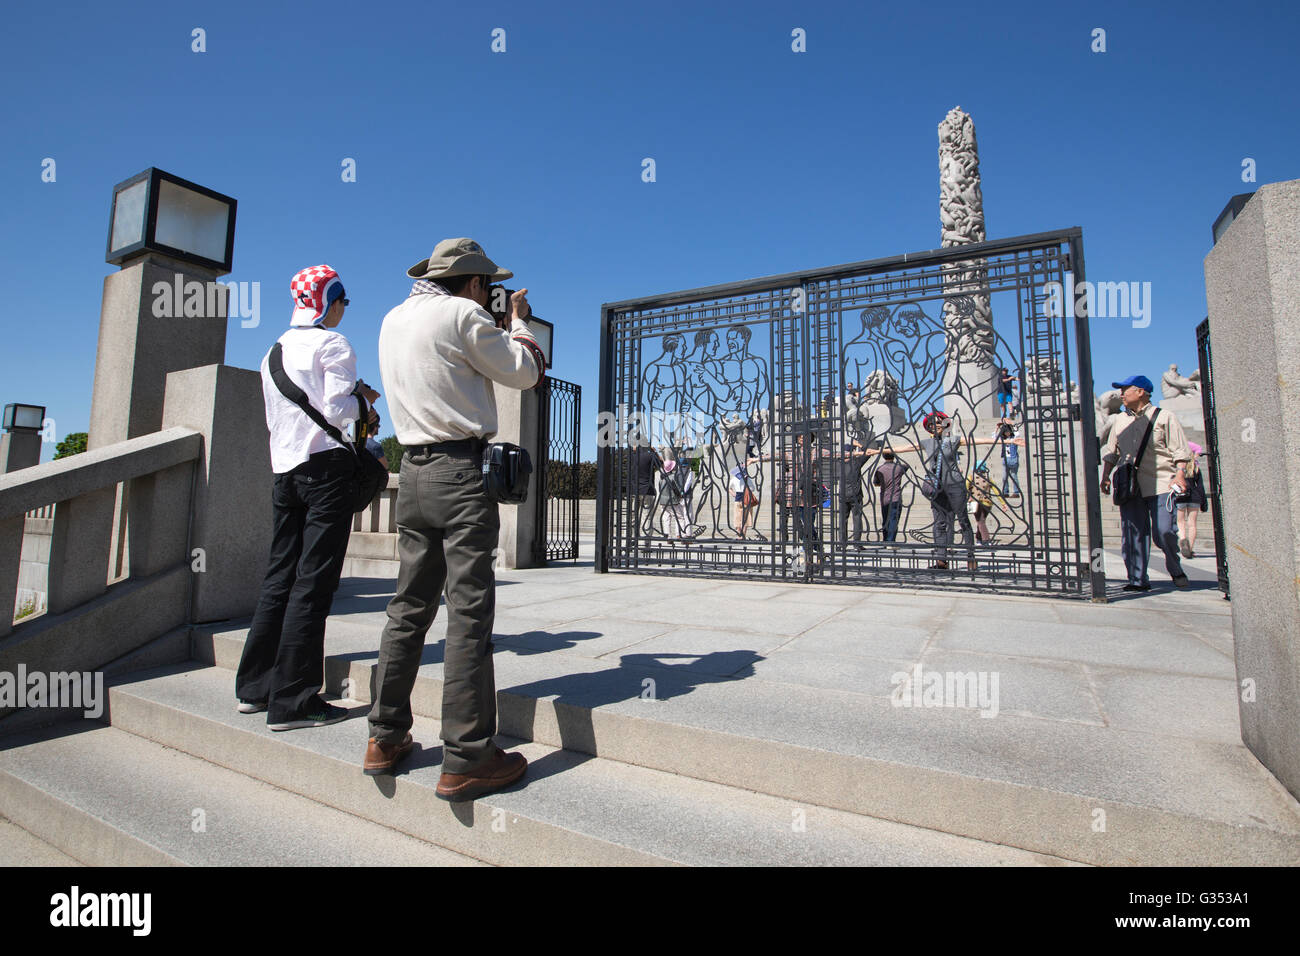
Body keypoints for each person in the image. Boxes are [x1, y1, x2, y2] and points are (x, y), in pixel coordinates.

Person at [364, 238, 544, 797]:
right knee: (468, 612)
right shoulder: (465, 313)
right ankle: (467, 755)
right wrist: (518, 324)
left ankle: (385, 735)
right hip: (462, 474)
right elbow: (524, 373)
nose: (490, 295)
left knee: (407, 607)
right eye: (486, 286)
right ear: (471, 283)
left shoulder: (393, 318)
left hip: (412, 473)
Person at [237, 265, 379, 731]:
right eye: (344, 300)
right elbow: (339, 412)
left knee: (279, 576)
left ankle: (255, 688)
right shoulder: (334, 345)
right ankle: (294, 703)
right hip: (326, 472)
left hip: (285, 472)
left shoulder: (273, 351)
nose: (344, 309)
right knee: (314, 583)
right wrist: (365, 402)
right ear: (329, 300)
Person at [1099, 374, 1192, 591]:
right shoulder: (1119, 420)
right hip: (1129, 485)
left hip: (1161, 483)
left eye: (1125, 389)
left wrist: (1180, 474)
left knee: (1164, 531)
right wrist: (1105, 475)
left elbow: (1180, 450)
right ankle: (1138, 579)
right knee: (1133, 534)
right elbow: (1112, 451)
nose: (1121, 394)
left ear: (1141, 391)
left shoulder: (1164, 417)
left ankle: (1174, 565)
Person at [1175, 441, 1208, 558]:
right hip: (1195, 497)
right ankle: (1190, 549)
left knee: (1180, 522)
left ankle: (1183, 539)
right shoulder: (1196, 468)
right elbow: (1200, 487)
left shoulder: (1178, 468)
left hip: (1180, 497)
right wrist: (1204, 502)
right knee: (1192, 524)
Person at [872, 448, 909, 542]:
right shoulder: (899, 467)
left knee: (885, 519)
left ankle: (885, 540)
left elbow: (876, 483)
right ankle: (890, 541)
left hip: (885, 498)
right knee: (893, 519)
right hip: (896, 497)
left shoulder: (880, 468)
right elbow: (907, 465)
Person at [839, 441, 870, 547]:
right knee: (857, 519)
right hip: (855, 495)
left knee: (843, 520)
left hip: (843, 495)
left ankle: (842, 543)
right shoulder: (856, 462)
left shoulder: (839, 464)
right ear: (852, 452)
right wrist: (860, 445)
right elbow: (868, 452)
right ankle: (857, 543)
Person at [658, 458, 694, 543]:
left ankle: (669, 536)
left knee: (666, 518)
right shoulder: (675, 476)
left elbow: (660, 489)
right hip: (675, 499)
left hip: (663, 501)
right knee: (682, 517)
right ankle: (684, 535)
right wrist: (681, 494)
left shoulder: (662, 478)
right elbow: (680, 487)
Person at [969, 462, 995, 544]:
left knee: (980, 521)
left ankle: (985, 539)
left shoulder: (971, 477)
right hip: (987, 503)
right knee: (981, 521)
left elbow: (965, 488)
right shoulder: (988, 478)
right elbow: (997, 490)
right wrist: (1003, 503)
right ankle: (979, 539)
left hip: (976, 503)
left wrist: (967, 497)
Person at [998, 419, 1022, 498]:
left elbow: (1017, 433)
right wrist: (997, 428)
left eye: (1008, 432)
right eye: (1005, 432)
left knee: (1014, 476)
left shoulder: (1014, 437)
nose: (1007, 433)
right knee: (1004, 477)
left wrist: (1012, 424)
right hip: (1005, 460)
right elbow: (994, 437)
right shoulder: (1003, 439)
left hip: (1013, 459)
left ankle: (1016, 492)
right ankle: (1005, 492)